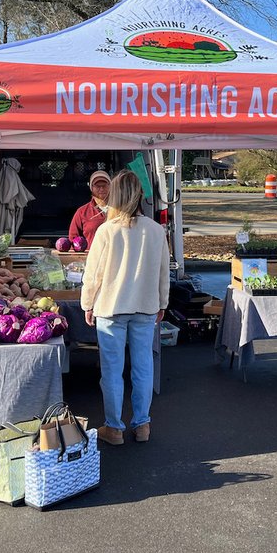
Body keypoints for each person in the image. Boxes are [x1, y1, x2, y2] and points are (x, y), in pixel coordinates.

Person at [80, 170, 169, 445]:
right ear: (140, 194)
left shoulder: (107, 230)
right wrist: (162, 302)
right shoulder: (156, 230)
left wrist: (87, 303)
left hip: (111, 308)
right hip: (145, 307)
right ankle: (143, 425)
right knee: (143, 368)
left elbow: (93, 274)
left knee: (112, 372)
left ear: (115, 196)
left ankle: (114, 428)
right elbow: (163, 272)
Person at [68, 170, 111, 246]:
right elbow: (73, 239)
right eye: (97, 186)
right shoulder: (82, 212)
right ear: (91, 188)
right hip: (91, 253)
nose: (101, 189)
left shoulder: (121, 210)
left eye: (104, 185)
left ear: (110, 186)